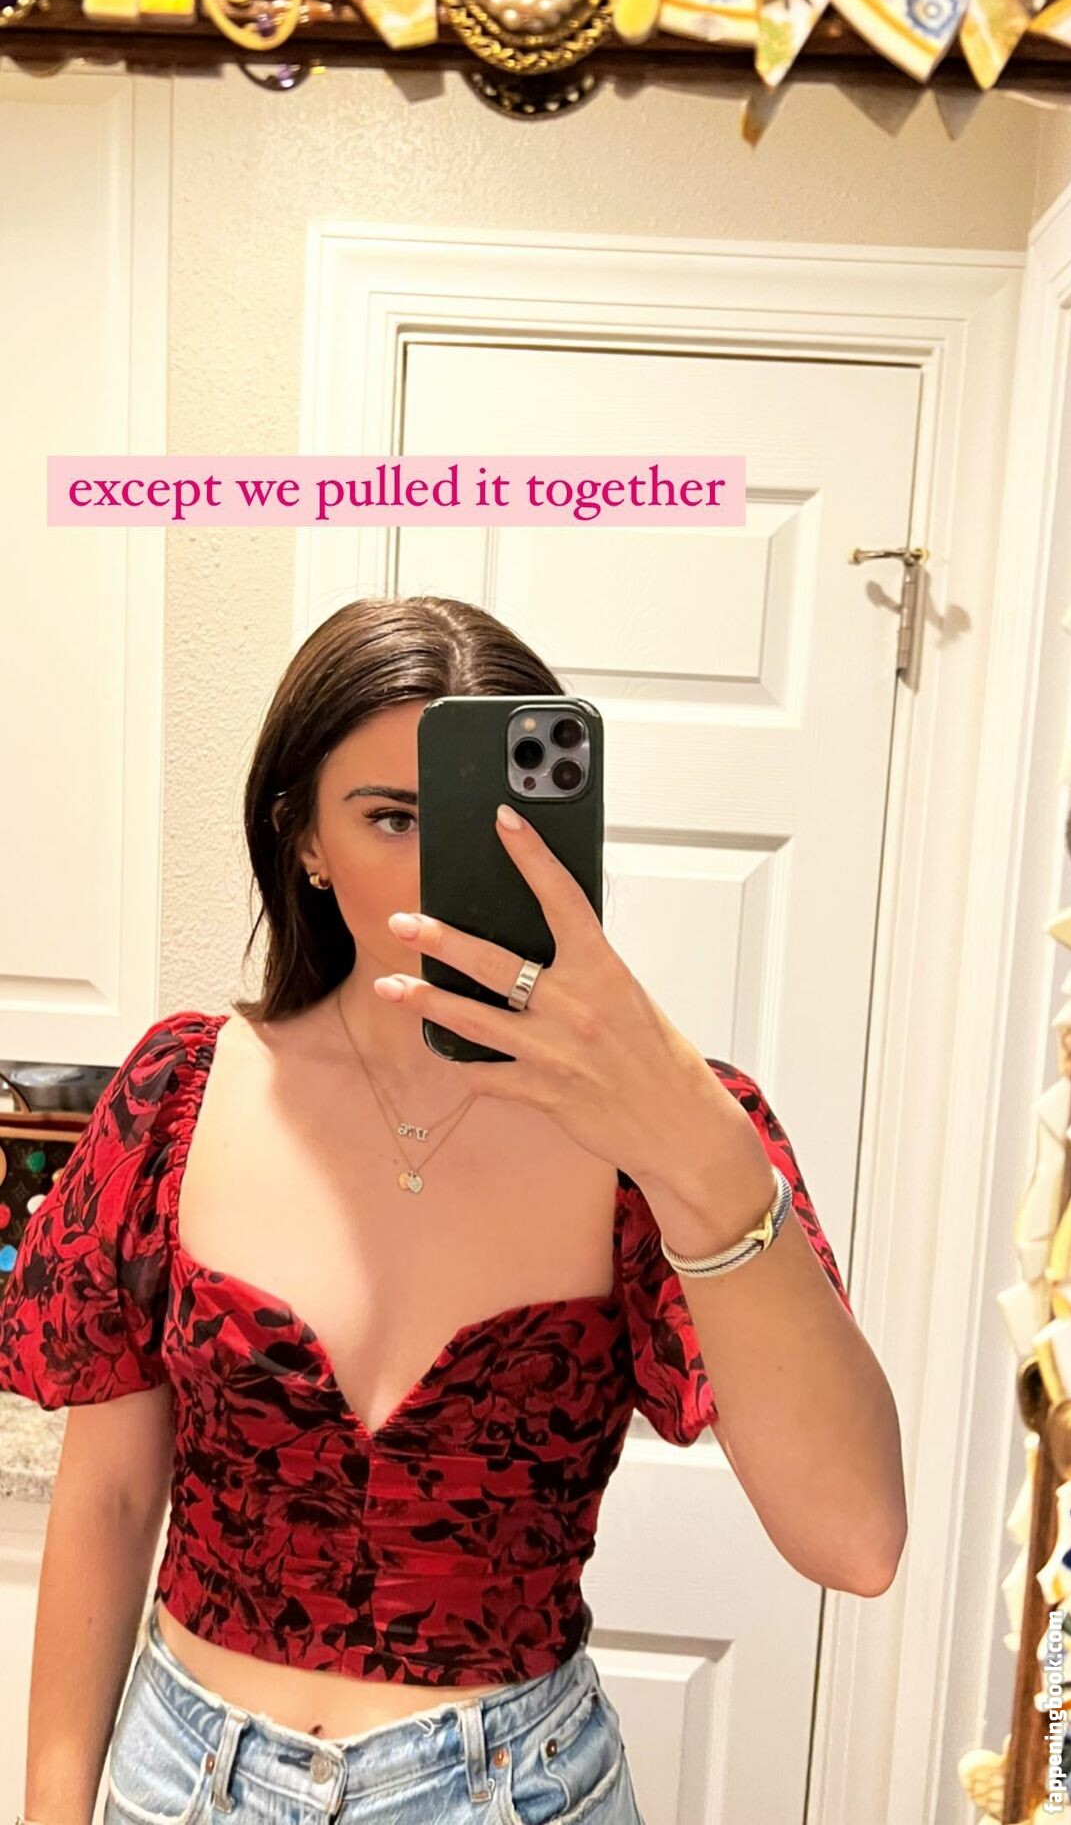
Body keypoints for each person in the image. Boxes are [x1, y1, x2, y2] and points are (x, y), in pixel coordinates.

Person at [0, 594, 905, 1825]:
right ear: (304, 840)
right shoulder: (179, 1098)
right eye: (391, 817)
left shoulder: (668, 1135)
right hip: (183, 1780)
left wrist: (698, 1145)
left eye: (488, 827)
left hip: (516, 1789)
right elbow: (109, 1497)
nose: (443, 869)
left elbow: (856, 1539)